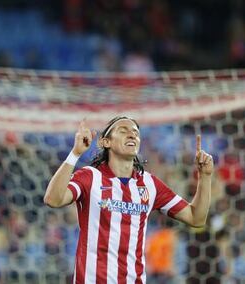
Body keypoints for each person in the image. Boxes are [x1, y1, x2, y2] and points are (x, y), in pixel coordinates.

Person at [44, 116, 213, 283]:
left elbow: (196, 218)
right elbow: (53, 199)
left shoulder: (149, 184)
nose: (132, 135)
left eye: (135, 132)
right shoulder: (90, 176)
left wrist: (205, 177)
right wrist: (75, 154)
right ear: (105, 142)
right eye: (123, 131)